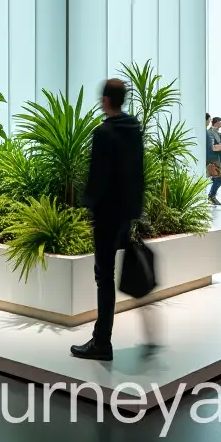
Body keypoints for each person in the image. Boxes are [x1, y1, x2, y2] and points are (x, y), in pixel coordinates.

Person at [71, 78, 145, 361]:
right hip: (125, 214)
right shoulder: (133, 129)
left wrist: (88, 206)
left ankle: (102, 342)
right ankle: (102, 339)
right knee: (109, 276)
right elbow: (138, 173)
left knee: (104, 278)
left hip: (106, 216)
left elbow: (98, 178)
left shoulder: (103, 133)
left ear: (105, 101)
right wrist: (134, 211)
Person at [205, 116, 221, 205]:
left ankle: (212, 195)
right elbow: (213, 147)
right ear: (217, 122)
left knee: (216, 178)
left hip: (217, 157)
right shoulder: (209, 132)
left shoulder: (216, 132)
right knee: (218, 178)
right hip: (213, 158)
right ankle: (211, 196)